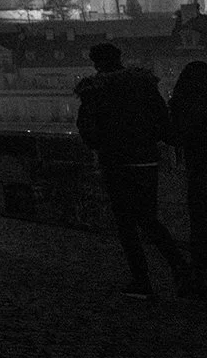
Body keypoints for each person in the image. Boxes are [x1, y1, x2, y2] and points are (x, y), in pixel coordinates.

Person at [75, 42, 195, 297]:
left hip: (116, 162)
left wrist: (105, 143)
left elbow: (89, 131)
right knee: (149, 219)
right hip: (146, 160)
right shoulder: (144, 84)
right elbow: (164, 123)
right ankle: (180, 268)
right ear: (120, 59)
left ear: (96, 63)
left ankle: (142, 282)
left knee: (126, 224)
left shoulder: (95, 89)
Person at [168, 60, 207, 278]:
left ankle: (200, 269)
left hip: (198, 170)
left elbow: (175, 137)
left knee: (200, 221)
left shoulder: (185, 105)